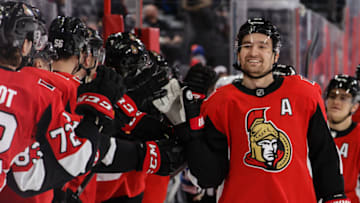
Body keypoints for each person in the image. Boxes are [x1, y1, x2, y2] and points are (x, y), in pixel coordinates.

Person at [185, 17, 350, 202]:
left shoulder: (304, 94)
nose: (253, 52)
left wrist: (335, 196)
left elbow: (324, 153)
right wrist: (191, 129)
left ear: (275, 55)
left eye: (262, 46)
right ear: (238, 53)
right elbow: (208, 176)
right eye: (246, 45)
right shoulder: (220, 102)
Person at [325, 74, 360, 203]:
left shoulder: (358, 136)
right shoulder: (312, 130)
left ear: (355, 106)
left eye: (343, 98)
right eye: (332, 96)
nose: (336, 102)